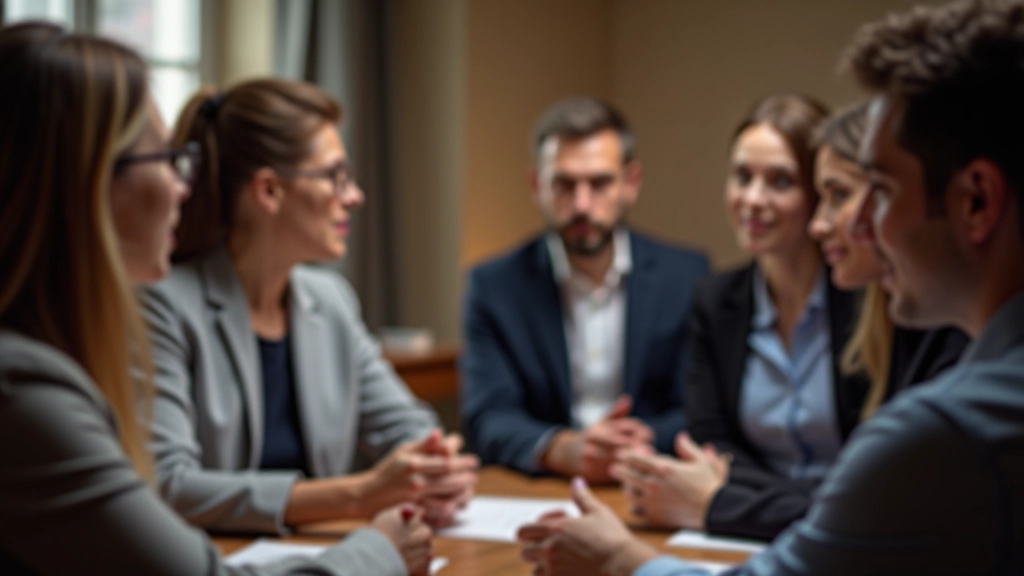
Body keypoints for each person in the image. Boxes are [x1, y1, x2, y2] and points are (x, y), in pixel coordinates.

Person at [519, 0, 1024, 573]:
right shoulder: (718, 297)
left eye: (879, 191)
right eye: (742, 176)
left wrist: (618, 558)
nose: (856, 227)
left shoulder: (948, 433)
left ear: (976, 202)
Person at [0, 22, 431, 576]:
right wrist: (379, 548)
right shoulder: (24, 391)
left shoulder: (47, 363)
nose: (184, 186)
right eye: (165, 159)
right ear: (86, 185)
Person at [611, 103, 968, 541]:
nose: (753, 199)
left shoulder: (891, 305)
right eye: (742, 176)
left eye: (781, 181)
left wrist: (722, 500)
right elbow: (712, 440)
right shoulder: (714, 297)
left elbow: (883, 497)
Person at [139, 79, 478, 536]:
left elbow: (408, 427)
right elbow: (169, 486)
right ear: (269, 191)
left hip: (320, 557)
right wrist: (359, 495)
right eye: (336, 176)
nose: (354, 195)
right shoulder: (162, 303)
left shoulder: (331, 300)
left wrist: (436, 468)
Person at [460, 96, 710, 480]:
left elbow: (700, 409)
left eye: (600, 183)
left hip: (650, 481)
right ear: (536, 185)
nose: (582, 204)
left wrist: (633, 443)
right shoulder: (494, 286)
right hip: (542, 487)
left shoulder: (687, 277)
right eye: (564, 184)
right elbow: (487, 415)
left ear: (631, 183)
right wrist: (561, 448)